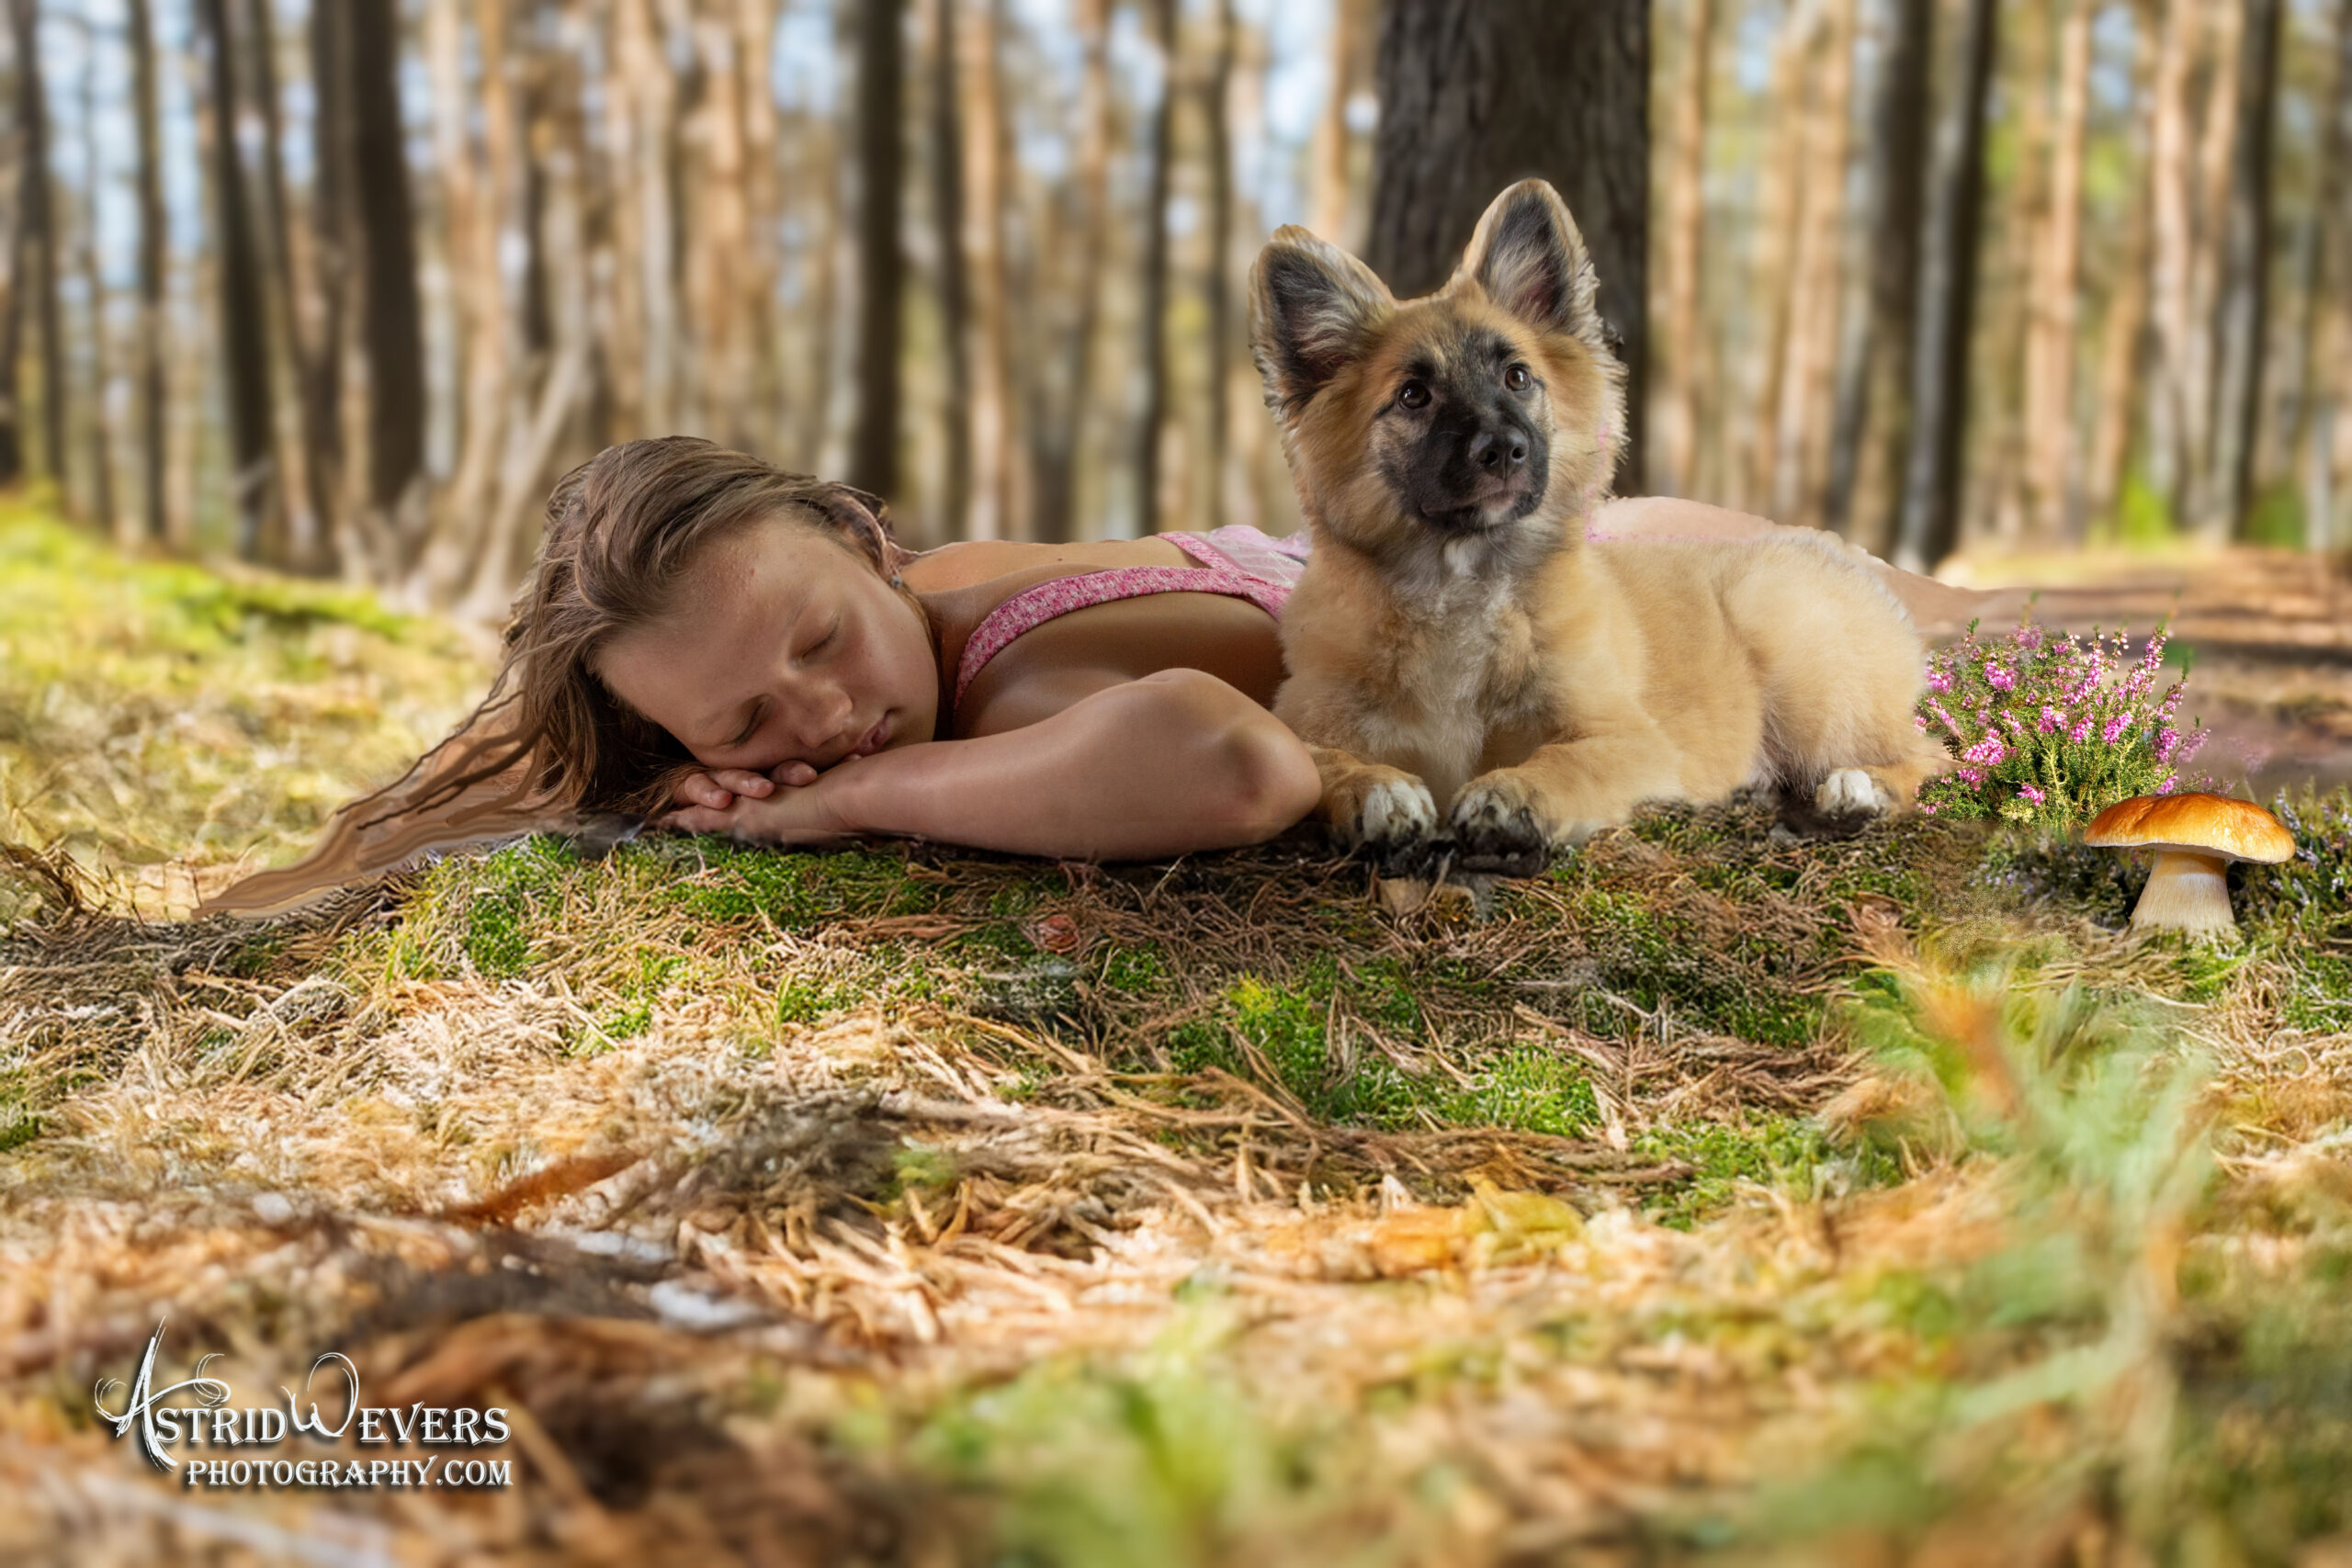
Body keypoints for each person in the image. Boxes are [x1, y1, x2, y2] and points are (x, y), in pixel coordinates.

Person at [204, 436, 2007, 915]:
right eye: (743, 725)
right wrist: (308, 876)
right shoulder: (990, 700)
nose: (819, 715)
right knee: (2028, 669)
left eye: (819, 644)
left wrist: (845, 797)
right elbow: (1236, 769)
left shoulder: (978, 674)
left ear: (859, 532)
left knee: (2037, 668)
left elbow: (1240, 771)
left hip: (1616, 583)